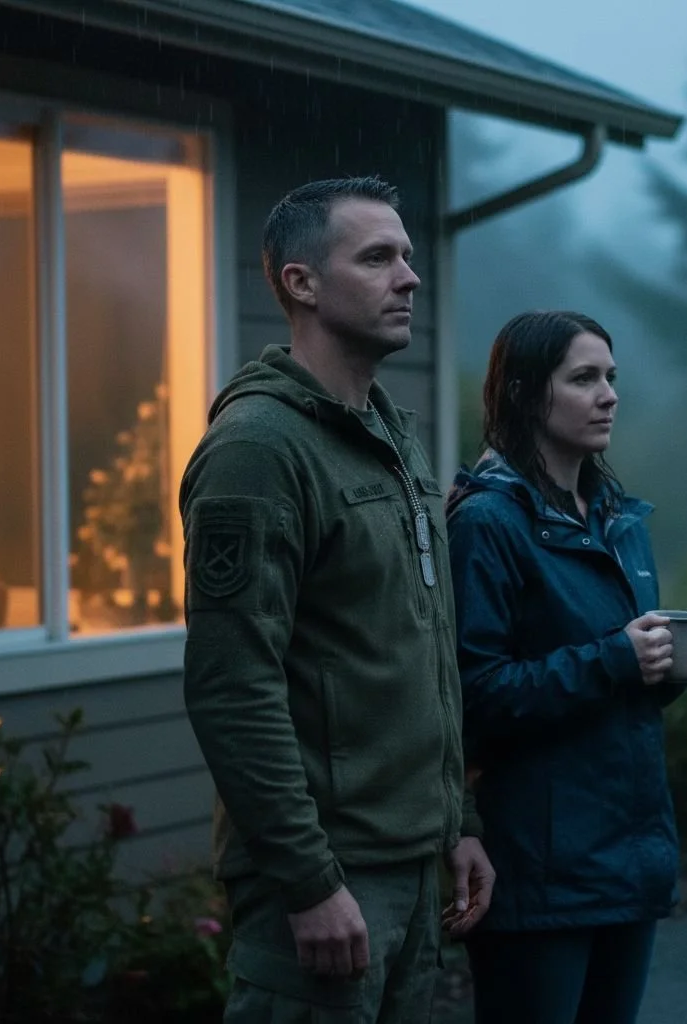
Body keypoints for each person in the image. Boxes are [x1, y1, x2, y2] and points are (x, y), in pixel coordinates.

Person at [179, 176, 494, 1023]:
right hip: (327, 882)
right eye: (378, 256)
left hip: (413, 865)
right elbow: (231, 685)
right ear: (301, 282)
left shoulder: (393, 435)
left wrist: (456, 821)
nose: (409, 277)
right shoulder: (258, 450)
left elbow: (422, 648)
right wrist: (308, 880)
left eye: (410, 257)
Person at [444, 310, 687, 1024]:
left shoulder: (617, 521)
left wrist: (666, 670)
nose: (609, 395)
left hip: (629, 861)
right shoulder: (486, 525)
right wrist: (616, 658)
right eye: (585, 378)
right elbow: (474, 697)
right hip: (542, 873)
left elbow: (617, 696)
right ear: (529, 394)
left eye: (612, 378)